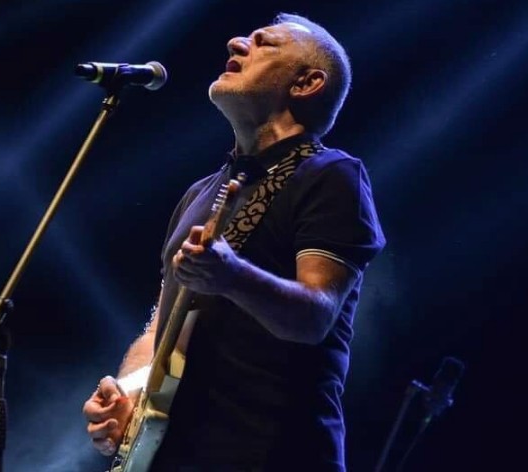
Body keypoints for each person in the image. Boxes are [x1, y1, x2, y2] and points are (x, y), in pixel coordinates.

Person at [83, 12, 385, 472]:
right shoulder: (199, 193)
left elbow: (315, 316)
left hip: (276, 456)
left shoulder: (332, 175)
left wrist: (231, 276)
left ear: (306, 83)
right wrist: (130, 395)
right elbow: (162, 324)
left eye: (264, 43)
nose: (236, 42)